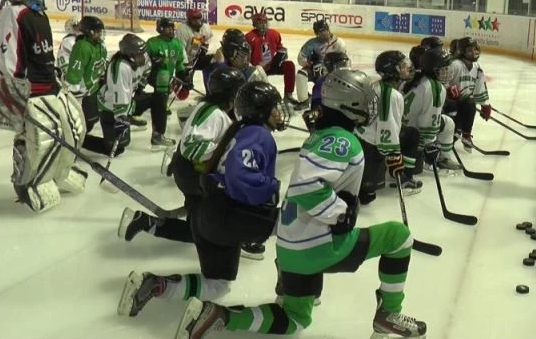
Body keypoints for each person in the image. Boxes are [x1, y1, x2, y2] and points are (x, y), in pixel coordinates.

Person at [173, 69, 427, 339]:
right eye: (365, 98)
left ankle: (219, 315)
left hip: (289, 247)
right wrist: (342, 214)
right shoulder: (341, 140)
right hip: (316, 246)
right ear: (349, 103)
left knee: (295, 319)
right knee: (399, 238)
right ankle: (388, 315)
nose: (370, 104)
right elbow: (308, 186)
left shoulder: (324, 134)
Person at [118, 80, 288, 321]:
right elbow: (240, 173)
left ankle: (155, 285)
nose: (279, 112)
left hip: (207, 211)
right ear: (261, 110)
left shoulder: (236, 128)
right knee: (290, 223)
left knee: (218, 285)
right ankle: (292, 284)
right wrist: (270, 189)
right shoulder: (259, 134)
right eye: (274, 107)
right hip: (225, 216)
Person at [117, 66, 246, 245]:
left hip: (189, 173)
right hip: (193, 177)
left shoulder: (210, 107)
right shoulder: (215, 115)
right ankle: (144, 222)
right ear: (231, 93)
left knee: (201, 224)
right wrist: (225, 151)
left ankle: (153, 221)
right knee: (202, 233)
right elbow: (192, 146)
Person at [0, 0, 87, 213]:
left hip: (51, 85)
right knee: (42, 140)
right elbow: (8, 60)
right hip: (32, 91)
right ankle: (29, 183)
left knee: (75, 130)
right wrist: (17, 95)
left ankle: (60, 171)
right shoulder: (11, 14)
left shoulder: (37, 13)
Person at [356, 50, 422, 205]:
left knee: (411, 133)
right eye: (402, 66)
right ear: (393, 71)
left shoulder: (379, 85)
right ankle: (400, 178)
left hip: (364, 138)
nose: (408, 68)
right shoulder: (391, 95)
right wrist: (393, 155)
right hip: (372, 145)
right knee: (367, 196)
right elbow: (387, 129)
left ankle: (405, 176)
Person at [401, 48, 461, 172]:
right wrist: (430, 145)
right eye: (444, 69)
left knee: (446, 121)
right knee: (449, 123)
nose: (448, 72)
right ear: (433, 69)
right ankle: (443, 159)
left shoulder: (415, 78)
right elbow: (428, 123)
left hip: (401, 129)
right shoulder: (435, 88)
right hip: (413, 134)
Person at [96, 34, 153, 157]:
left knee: (124, 143)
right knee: (115, 149)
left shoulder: (140, 59)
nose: (143, 57)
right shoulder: (120, 67)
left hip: (126, 105)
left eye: (143, 53)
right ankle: (82, 142)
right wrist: (120, 117)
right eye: (139, 54)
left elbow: (147, 70)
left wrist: (141, 86)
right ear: (130, 55)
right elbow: (119, 93)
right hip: (109, 108)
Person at [64, 15, 110, 154]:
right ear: (89, 31)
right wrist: (74, 91)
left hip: (93, 90)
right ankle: (70, 146)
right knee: (82, 123)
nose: (100, 34)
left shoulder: (99, 46)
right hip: (83, 93)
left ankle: (75, 142)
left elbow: (101, 65)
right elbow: (75, 71)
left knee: (91, 121)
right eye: (97, 31)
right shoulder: (82, 46)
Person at [146, 17, 189, 147]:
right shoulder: (152, 43)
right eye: (168, 28)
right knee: (161, 98)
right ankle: (158, 131)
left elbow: (180, 63)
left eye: (172, 28)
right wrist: (154, 61)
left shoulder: (176, 43)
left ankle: (158, 130)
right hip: (152, 76)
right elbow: (142, 63)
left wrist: (184, 78)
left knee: (165, 85)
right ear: (161, 29)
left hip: (166, 78)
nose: (171, 30)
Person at [445, 37, 492, 152]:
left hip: (463, 102)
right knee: (454, 128)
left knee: (470, 104)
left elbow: (479, 87)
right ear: (462, 52)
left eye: (475, 49)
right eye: (470, 50)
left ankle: (466, 134)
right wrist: (448, 89)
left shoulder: (477, 68)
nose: (474, 52)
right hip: (448, 103)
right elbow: (441, 81)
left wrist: (485, 104)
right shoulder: (455, 65)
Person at [294, 20, 347, 110]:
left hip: (333, 72)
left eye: (324, 31)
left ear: (328, 29)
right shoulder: (312, 43)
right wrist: (309, 63)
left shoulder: (339, 43)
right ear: (316, 33)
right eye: (320, 32)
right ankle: (304, 101)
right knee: (301, 75)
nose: (323, 34)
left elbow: (344, 63)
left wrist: (329, 69)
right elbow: (300, 58)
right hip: (315, 69)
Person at [246, 12, 297, 104]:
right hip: (257, 69)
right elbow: (247, 59)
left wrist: (283, 53)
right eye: (260, 22)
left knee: (289, 65)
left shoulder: (274, 34)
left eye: (264, 22)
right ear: (254, 24)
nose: (263, 24)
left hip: (272, 65)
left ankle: (288, 95)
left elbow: (280, 47)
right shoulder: (249, 37)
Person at [302, 51, 351, 132]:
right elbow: (317, 110)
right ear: (331, 67)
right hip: (333, 126)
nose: (345, 68)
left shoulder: (351, 80)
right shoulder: (323, 83)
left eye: (345, 64)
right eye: (341, 65)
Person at [55, 15, 80, 79]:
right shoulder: (69, 41)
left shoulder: (72, 39)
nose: (79, 28)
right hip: (69, 74)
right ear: (70, 28)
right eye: (76, 26)